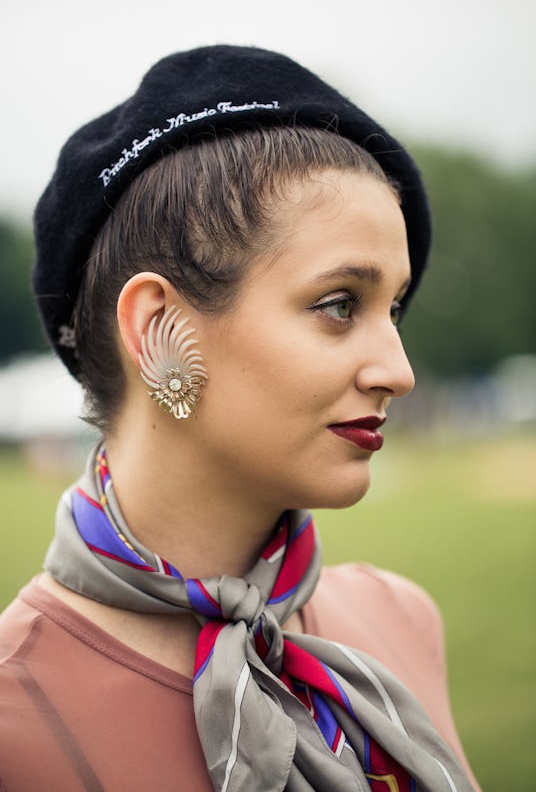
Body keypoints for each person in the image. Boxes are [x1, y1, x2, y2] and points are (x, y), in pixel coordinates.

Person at [0, 46, 480, 791]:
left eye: (393, 308)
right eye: (339, 305)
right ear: (158, 329)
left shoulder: (401, 618)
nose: (399, 371)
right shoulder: (15, 720)